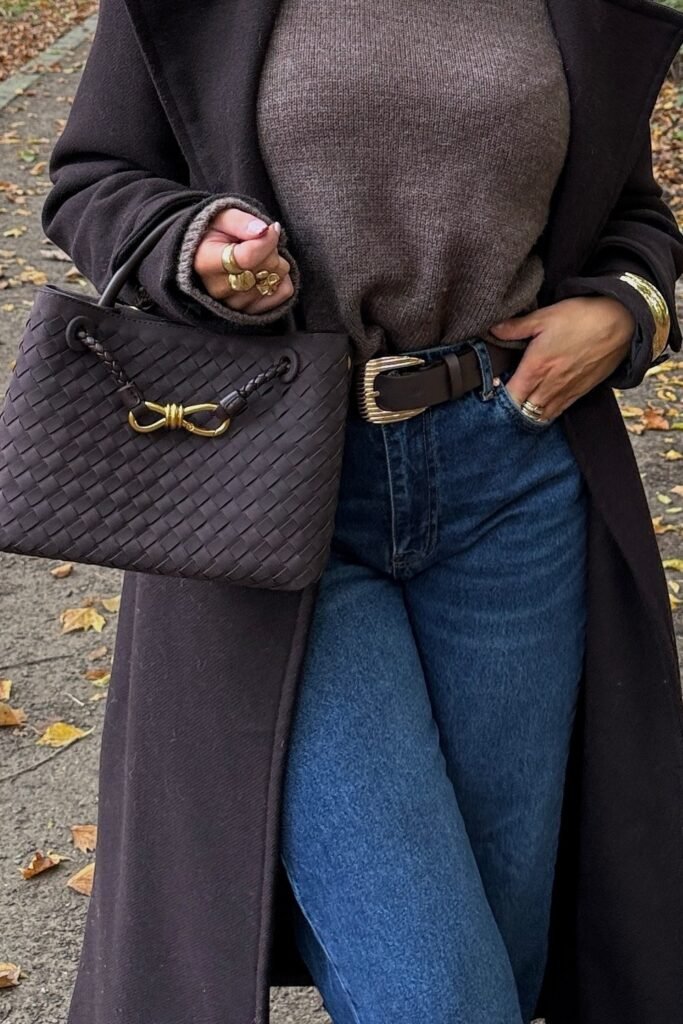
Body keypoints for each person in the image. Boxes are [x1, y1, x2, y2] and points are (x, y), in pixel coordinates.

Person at [40, 1, 683, 1022]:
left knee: (498, 948)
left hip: (512, 478)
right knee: (433, 988)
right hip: (274, 490)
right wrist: (193, 244)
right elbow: (93, 179)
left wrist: (624, 306)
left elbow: (629, 212)